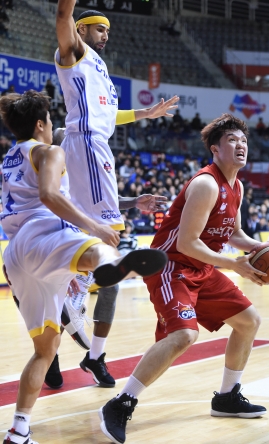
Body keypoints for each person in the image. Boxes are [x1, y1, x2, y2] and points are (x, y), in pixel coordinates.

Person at [0, 90, 167, 444]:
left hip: (14, 255)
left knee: (45, 350)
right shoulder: (50, 150)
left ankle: (19, 430)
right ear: (42, 125)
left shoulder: (8, 159)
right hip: (42, 231)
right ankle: (110, 265)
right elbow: (49, 196)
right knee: (97, 246)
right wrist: (95, 226)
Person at [99, 113, 268, 444]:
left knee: (249, 321)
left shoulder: (237, 186)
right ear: (215, 149)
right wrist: (233, 266)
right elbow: (186, 242)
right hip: (171, 265)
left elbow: (232, 234)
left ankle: (227, 397)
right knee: (183, 336)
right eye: (232, 140)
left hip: (202, 267)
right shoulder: (206, 183)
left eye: (244, 141)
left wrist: (261, 247)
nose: (240, 145)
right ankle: (121, 403)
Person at [53, 0, 179, 389]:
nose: (106, 34)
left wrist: (146, 115)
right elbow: (62, 16)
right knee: (110, 238)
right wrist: (69, 9)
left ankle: (93, 351)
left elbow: (110, 114)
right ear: (83, 30)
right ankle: (74, 290)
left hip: (97, 145)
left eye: (108, 29)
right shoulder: (73, 52)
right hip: (87, 143)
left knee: (111, 254)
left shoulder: (100, 70)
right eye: (99, 28)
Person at [44, 127, 168, 390]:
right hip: (67, 241)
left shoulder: (89, 168)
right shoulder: (54, 174)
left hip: (98, 238)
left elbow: (109, 200)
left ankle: (95, 357)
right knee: (63, 305)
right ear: (59, 147)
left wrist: (135, 201)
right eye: (66, 137)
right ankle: (50, 354)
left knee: (110, 287)